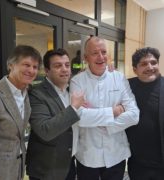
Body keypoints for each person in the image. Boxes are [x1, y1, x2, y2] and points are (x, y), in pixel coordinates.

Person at [70, 36, 139, 180]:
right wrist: (113, 111)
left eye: (104, 52)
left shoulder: (119, 78)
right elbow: (79, 117)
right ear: (86, 57)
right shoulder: (77, 81)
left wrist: (106, 125)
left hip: (116, 153)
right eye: (95, 53)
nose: (101, 57)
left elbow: (134, 115)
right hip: (87, 155)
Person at [26, 48, 85, 180]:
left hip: (69, 163)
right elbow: (45, 130)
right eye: (58, 66)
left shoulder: (72, 90)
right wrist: (74, 107)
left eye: (67, 65)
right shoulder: (37, 94)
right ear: (47, 71)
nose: (65, 69)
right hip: (46, 169)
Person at [0, 45, 42, 180]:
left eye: (35, 67)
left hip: (17, 168)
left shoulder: (26, 93)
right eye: (26, 65)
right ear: (11, 65)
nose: (31, 70)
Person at [126, 47, 164, 180]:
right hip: (137, 164)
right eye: (144, 64)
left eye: (153, 62)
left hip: (161, 165)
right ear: (135, 69)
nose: (150, 67)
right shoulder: (126, 86)